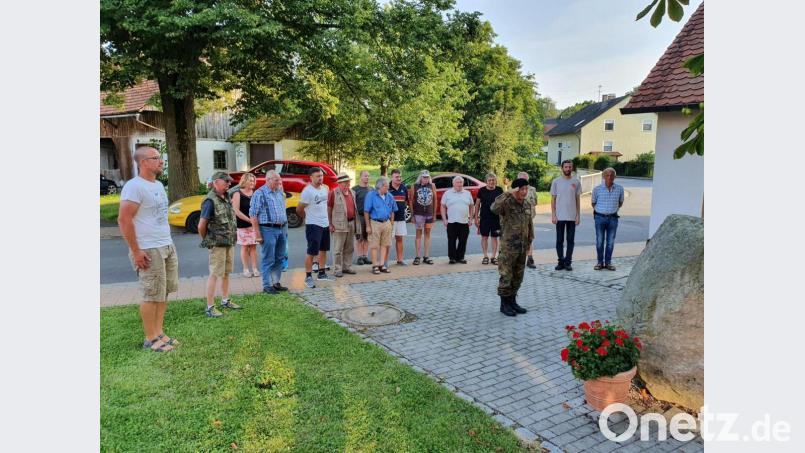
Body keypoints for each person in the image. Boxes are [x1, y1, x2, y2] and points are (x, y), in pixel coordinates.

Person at [118, 146, 179, 351]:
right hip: (148, 248)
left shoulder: (159, 185)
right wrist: (136, 251)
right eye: (156, 158)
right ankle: (150, 338)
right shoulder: (134, 186)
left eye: (160, 157)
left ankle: (159, 332)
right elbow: (124, 219)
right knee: (151, 294)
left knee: (163, 292)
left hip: (166, 244)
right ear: (143, 162)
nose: (161, 161)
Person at [198, 171, 242, 317]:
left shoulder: (227, 196)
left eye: (229, 182)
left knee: (226, 272)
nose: (229, 184)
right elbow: (201, 226)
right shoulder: (210, 201)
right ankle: (210, 307)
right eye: (226, 182)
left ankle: (225, 300)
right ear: (216, 182)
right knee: (215, 274)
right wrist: (208, 240)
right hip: (217, 244)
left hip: (229, 241)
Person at [490, 178, 533, 317]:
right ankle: (504, 304)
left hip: (521, 247)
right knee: (506, 276)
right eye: (522, 189)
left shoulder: (526, 203)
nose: (525, 192)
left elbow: (529, 224)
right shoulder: (506, 202)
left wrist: (529, 242)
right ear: (516, 190)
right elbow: (493, 208)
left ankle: (513, 301)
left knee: (518, 276)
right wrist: (508, 193)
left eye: (526, 189)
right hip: (509, 248)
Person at [250, 170, 289, 294]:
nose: (279, 182)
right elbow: (253, 215)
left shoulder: (279, 192)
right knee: (268, 258)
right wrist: (258, 234)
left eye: (279, 179)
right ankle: (266, 285)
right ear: (268, 180)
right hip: (267, 229)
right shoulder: (259, 193)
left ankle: (276, 283)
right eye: (276, 180)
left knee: (280, 257)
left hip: (281, 228)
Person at [297, 167, 336, 288]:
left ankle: (322, 273)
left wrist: (328, 222)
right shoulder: (307, 191)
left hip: (324, 224)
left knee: (323, 249)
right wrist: (307, 217)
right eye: (317, 176)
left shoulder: (325, 189)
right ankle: (308, 277)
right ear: (311, 178)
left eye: (321, 176)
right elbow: (299, 209)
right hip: (313, 224)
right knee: (312, 251)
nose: (320, 178)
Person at [550, 160, 581, 271]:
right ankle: (560, 262)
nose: (568, 169)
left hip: (572, 217)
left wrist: (578, 215)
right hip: (560, 216)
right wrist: (553, 214)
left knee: (570, 240)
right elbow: (553, 199)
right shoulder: (556, 182)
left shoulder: (576, 182)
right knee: (559, 240)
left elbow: (577, 199)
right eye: (566, 167)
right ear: (562, 168)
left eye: (570, 167)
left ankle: (568, 262)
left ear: (572, 168)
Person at [591, 167, 625, 271]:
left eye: (612, 175)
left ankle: (608, 262)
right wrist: (602, 211)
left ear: (615, 177)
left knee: (610, 242)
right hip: (599, 218)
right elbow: (593, 203)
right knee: (600, 241)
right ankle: (600, 262)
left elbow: (620, 202)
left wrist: (612, 210)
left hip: (613, 218)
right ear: (603, 176)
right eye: (607, 175)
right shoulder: (597, 189)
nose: (609, 177)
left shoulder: (619, 189)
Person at [328, 172, 361, 277]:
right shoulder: (333, 193)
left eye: (348, 182)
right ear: (339, 183)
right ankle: (337, 269)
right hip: (338, 224)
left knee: (349, 247)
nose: (348, 184)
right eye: (345, 182)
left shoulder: (352, 192)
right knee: (338, 249)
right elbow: (329, 209)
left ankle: (347, 267)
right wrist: (330, 224)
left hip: (351, 222)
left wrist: (356, 225)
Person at [364, 177, 397, 275]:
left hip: (386, 223)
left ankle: (382, 265)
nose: (388, 188)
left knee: (385, 245)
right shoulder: (371, 195)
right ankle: (375, 265)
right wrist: (368, 226)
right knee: (374, 245)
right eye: (386, 186)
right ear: (380, 186)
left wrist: (391, 223)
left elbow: (393, 210)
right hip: (375, 222)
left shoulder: (389, 196)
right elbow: (366, 211)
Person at [440, 175, 475, 264]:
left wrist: (471, 218)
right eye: (457, 182)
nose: (459, 184)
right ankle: (452, 258)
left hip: (464, 221)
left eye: (461, 182)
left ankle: (461, 257)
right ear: (453, 183)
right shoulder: (447, 193)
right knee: (451, 240)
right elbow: (443, 206)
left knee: (463, 240)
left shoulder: (467, 193)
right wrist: (444, 219)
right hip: (452, 221)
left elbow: (471, 206)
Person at [232, 173, 260, 278]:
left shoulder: (255, 193)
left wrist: (255, 221)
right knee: (244, 247)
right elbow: (236, 211)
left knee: (253, 247)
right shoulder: (237, 194)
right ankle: (245, 269)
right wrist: (250, 220)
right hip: (243, 224)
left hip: (254, 225)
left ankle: (255, 268)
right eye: (250, 181)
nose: (253, 183)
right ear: (245, 181)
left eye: (253, 181)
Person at [475, 173, 503, 265]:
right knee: (484, 237)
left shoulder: (499, 190)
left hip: (496, 218)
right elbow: (477, 205)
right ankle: (485, 256)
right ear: (486, 181)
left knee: (495, 238)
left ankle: (493, 257)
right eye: (489, 180)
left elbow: (503, 203)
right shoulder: (481, 190)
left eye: (493, 180)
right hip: (484, 218)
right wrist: (476, 218)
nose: (491, 182)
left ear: (495, 181)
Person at [409, 170, 437, 265]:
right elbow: (411, 201)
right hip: (418, 213)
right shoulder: (415, 186)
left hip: (429, 213)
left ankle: (426, 256)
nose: (426, 178)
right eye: (424, 177)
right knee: (418, 234)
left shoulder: (432, 186)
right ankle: (417, 256)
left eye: (427, 177)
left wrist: (434, 215)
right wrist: (412, 215)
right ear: (420, 177)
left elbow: (435, 199)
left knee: (428, 233)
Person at [517, 171, 539, 269]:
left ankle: (530, 259)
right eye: (522, 179)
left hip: (529, 218)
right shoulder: (513, 189)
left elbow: (535, 202)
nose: (524, 181)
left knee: (529, 239)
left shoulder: (532, 190)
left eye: (525, 179)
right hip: (516, 219)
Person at [388, 169, 409, 266]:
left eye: (400, 176)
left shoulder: (404, 188)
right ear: (391, 177)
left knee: (400, 239)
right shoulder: (387, 188)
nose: (399, 178)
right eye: (396, 177)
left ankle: (400, 260)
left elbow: (406, 201)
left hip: (401, 219)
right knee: (387, 241)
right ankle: (384, 262)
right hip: (389, 220)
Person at [352, 170, 372, 265]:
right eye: (365, 176)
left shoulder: (371, 189)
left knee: (367, 238)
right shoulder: (354, 189)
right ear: (360, 177)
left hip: (369, 217)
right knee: (359, 238)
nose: (367, 178)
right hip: (359, 216)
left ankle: (365, 256)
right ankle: (359, 257)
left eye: (368, 176)